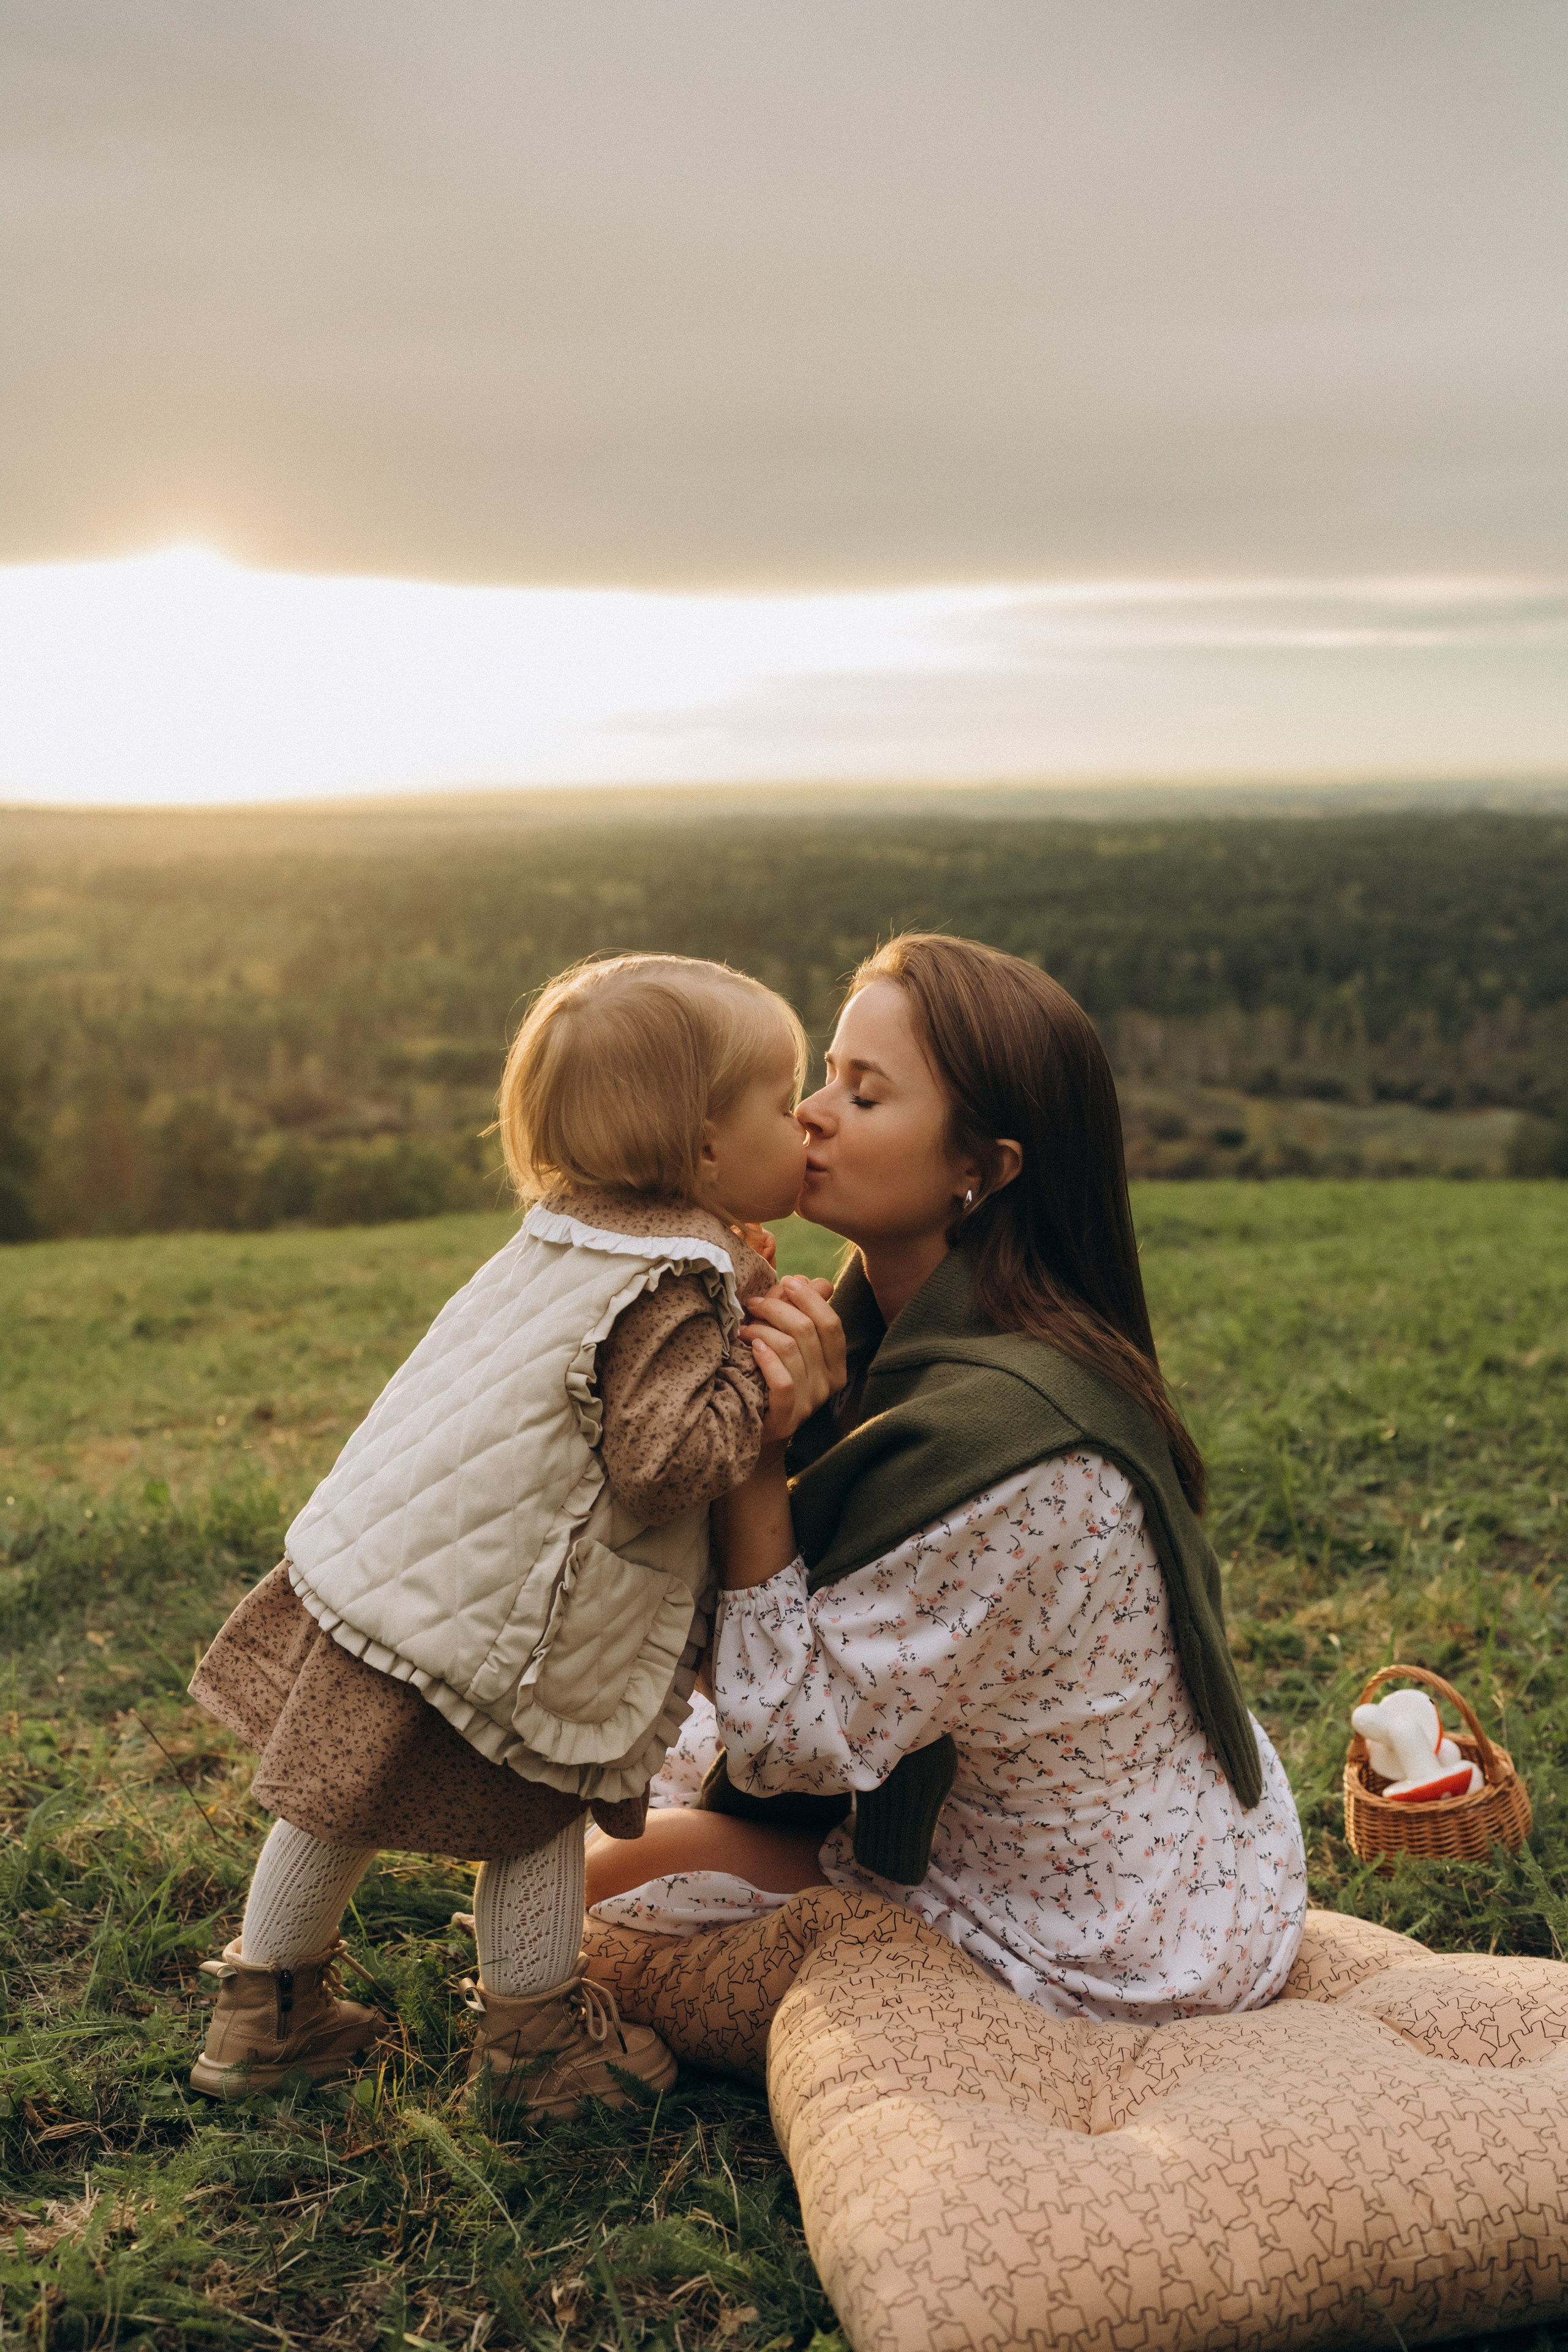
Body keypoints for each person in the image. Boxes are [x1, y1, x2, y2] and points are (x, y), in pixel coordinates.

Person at [585, 934, 1307, 2023]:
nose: (811, 1114)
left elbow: (787, 1747)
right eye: (824, 1075)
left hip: (1119, 1925)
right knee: (608, 1797)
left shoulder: (1016, 1440)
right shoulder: (894, 1331)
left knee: (595, 1882)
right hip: (1082, 1804)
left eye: (863, 1096)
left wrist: (761, 1454)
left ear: (986, 1168)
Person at [187, 952, 839, 2111]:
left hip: (400, 1576)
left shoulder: (573, 1231)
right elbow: (664, 1461)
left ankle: (264, 2013)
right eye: (784, 1105)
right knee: (537, 1815)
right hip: (507, 1622)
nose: (804, 1126)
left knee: (330, 1796)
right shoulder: (670, 1287)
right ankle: (539, 2046)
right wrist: (764, 1391)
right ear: (701, 1150)